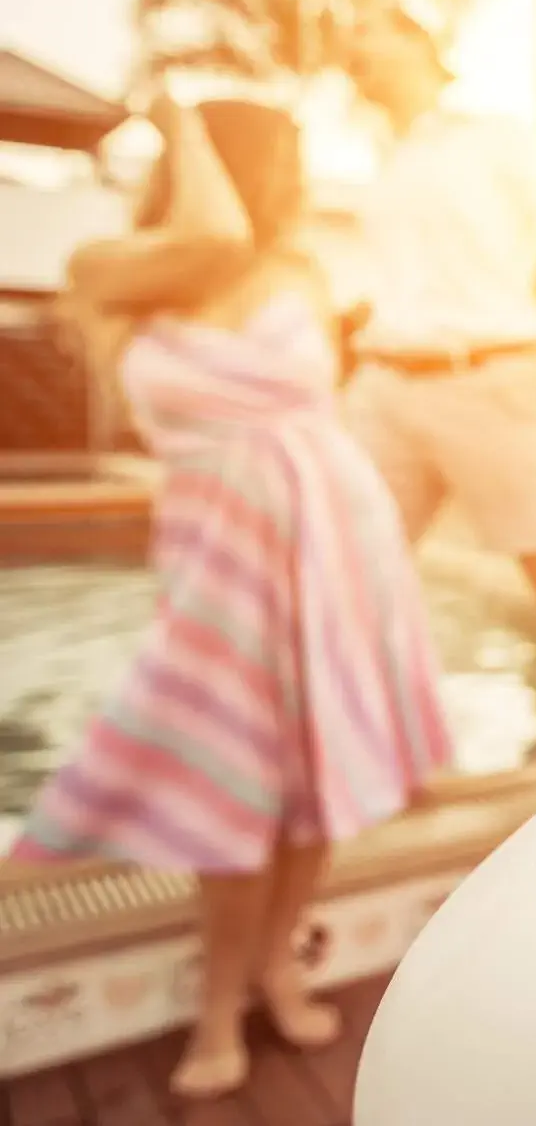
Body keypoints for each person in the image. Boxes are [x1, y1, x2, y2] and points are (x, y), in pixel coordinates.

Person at [13, 96, 451, 1100]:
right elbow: (211, 238)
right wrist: (177, 116)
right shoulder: (110, 271)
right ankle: (218, 1003)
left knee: (318, 764)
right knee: (229, 781)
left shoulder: (300, 271)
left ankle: (275, 961)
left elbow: (315, 409)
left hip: (337, 538)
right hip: (221, 551)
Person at [339, 0, 536, 742]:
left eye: (365, 28)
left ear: (417, 39)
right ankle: (377, 754)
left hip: (483, 382)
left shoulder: (493, 139)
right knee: (352, 576)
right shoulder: (387, 159)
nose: (351, 49)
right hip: (383, 388)